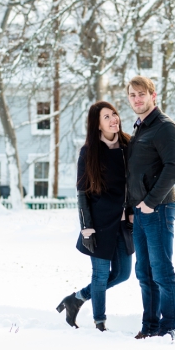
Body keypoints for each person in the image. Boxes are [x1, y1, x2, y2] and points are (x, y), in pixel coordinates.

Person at [56, 102, 134, 331]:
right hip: (98, 224)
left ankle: (76, 298)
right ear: (97, 124)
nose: (114, 119)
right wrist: (86, 227)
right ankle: (100, 323)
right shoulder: (89, 152)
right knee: (100, 276)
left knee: (122, 274)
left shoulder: (128, 145)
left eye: (114, 114)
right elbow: (82, 193)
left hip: (122, 223)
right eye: (107, 116)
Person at [125, 76, 175, 340]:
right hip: (140, 212)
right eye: (132, 95)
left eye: (141, 94)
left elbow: (174, 168)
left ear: (153, 95)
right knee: (144, 272)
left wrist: (149, 202)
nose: (137, 99)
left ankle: (168, 328)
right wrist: (133, 206)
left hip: (158, 209)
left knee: (161, 271)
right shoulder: (141, 128)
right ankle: (149, 326)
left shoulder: (164, 127)